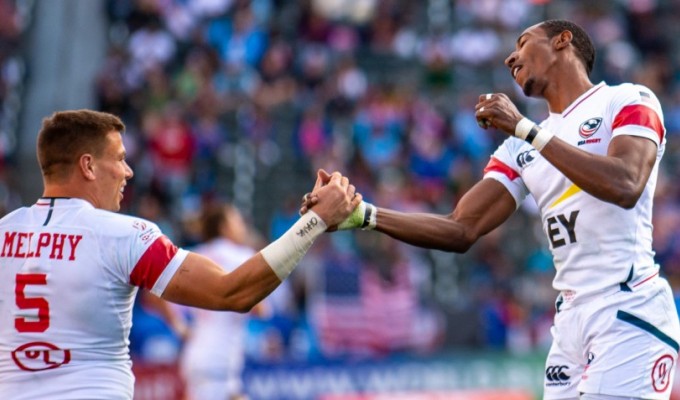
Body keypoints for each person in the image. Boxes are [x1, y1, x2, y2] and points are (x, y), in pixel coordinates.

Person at [304, 20, 680, 400]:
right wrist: (363, 215)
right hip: (570, 323)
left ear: (563, 41)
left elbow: (626, 183)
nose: (510, 57)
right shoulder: (519, 149)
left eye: (523, 42)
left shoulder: (628, 99)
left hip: (629, 308)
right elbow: (460, 228)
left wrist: (526, 129)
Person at [0, 109, 360, 400]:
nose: (128, 171)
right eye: (120, 158)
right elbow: (233, 292)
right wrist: (315, 222)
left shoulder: (4, 232)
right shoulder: (122, 235)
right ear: (88, 166)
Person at [180, 201, 267, 400]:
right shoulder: (242, 257)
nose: (242, 226)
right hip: (220, 360)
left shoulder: (193, 256)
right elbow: (261, 309)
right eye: (237, 220)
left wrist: (179, 326)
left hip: (195, 353)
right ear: (224, 226)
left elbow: (153, 292)